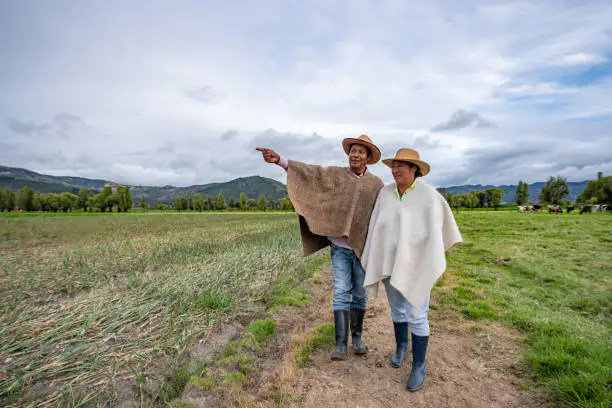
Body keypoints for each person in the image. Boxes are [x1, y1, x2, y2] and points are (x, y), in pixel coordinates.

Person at [256, 135, 384, 360]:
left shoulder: (376, 185)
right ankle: (340, 344)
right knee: (342, 291)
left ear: (368, 158)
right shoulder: (336, 175)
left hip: (364, 248)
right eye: (353, 150)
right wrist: (280, 161)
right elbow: (311, 174)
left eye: (361, 152)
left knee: (360, 294)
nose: (355, 155)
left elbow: (384, 214)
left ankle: (357, 338)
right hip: (340, 248)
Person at [361, 148, 462, 391]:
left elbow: (440, 228)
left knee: (417, 314)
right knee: (397, 310)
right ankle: (401, 348)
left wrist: (426, 253)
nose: (395, 170)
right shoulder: (385, 194)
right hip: (390, 264)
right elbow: (378, 226)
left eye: (401, 166)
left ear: (414, 169)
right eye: (393, 166)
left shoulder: (429, 195)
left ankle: (419, 365)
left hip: (416, 265)